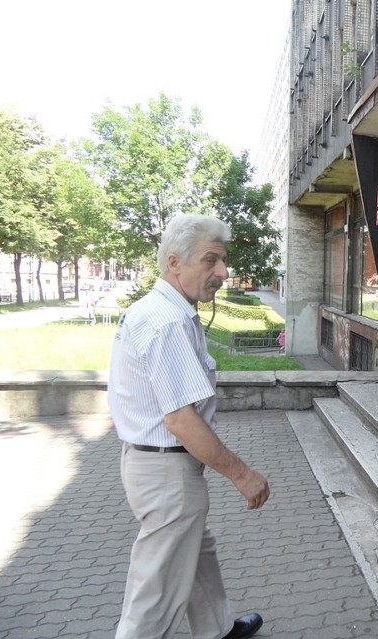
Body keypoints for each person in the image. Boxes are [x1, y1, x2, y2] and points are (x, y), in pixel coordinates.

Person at [108, 213, 269, 639]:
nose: (223, 272)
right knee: (156, 590)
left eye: (223, 261)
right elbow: (181, 419)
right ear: (174, 262)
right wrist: (242, 474)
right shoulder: (168, 322)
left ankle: (217, 630)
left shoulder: (159, 310)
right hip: (167, 474)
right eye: (211, 260)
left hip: (156, 468)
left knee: (197, 555)